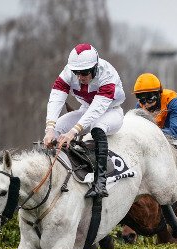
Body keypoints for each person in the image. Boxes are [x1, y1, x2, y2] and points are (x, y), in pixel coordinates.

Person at [43, 43, 126, 198]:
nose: (80, 77)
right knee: (58, 126)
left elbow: (97, 109)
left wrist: (73, 132)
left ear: (95, 67)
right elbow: (56, 98)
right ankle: (50, 176)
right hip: (86, 110)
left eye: (84, 73)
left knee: (97, 127)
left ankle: (100, 182)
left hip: (111, 112)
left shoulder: (107, 73)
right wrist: (49, 129)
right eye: (76, 73)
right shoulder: (68, 72)